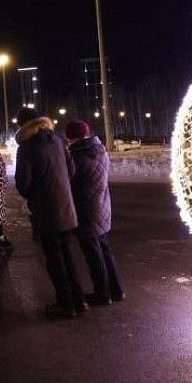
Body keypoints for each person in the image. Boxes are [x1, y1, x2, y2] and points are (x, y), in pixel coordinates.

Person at [14, 106, 87, 319]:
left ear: (23, 126)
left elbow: (23, 183)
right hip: (66, 208)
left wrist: (35, 194)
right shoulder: (58, 140)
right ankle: (79, 299)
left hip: (46, 211)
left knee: (54, 259)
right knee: (68, 255)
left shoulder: (27, 147)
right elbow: (72, 171)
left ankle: (66, 304)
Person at [65, 118, 124, 305]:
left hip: (86, 209)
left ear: (71, 137)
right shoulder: (100, 151)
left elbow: (69, 181)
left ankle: (102, 293)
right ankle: (116, 290)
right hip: (102, 206)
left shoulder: (77, 156)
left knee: (93, 254)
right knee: (104, 250)